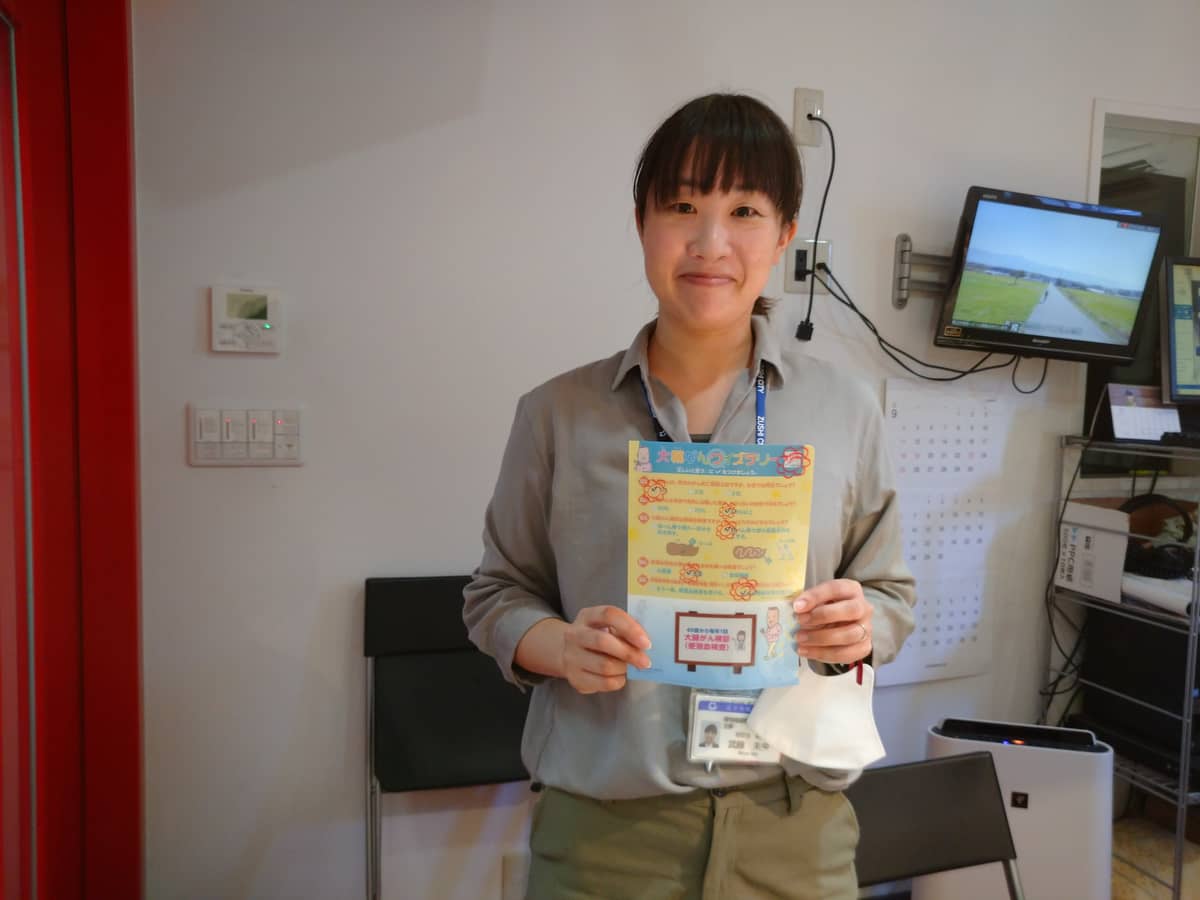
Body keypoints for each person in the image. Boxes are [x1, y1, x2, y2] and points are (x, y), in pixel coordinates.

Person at [464, 93, 915, 900]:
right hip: (606, 836)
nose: (710, 243)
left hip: (794, 832)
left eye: (744, 211)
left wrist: (860, 626)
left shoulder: (847, 409)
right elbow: (496, 595)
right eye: (681, 207)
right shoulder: (557, 414)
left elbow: (890, 597)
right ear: (642, 223)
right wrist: (558, 646)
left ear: (784, 233)